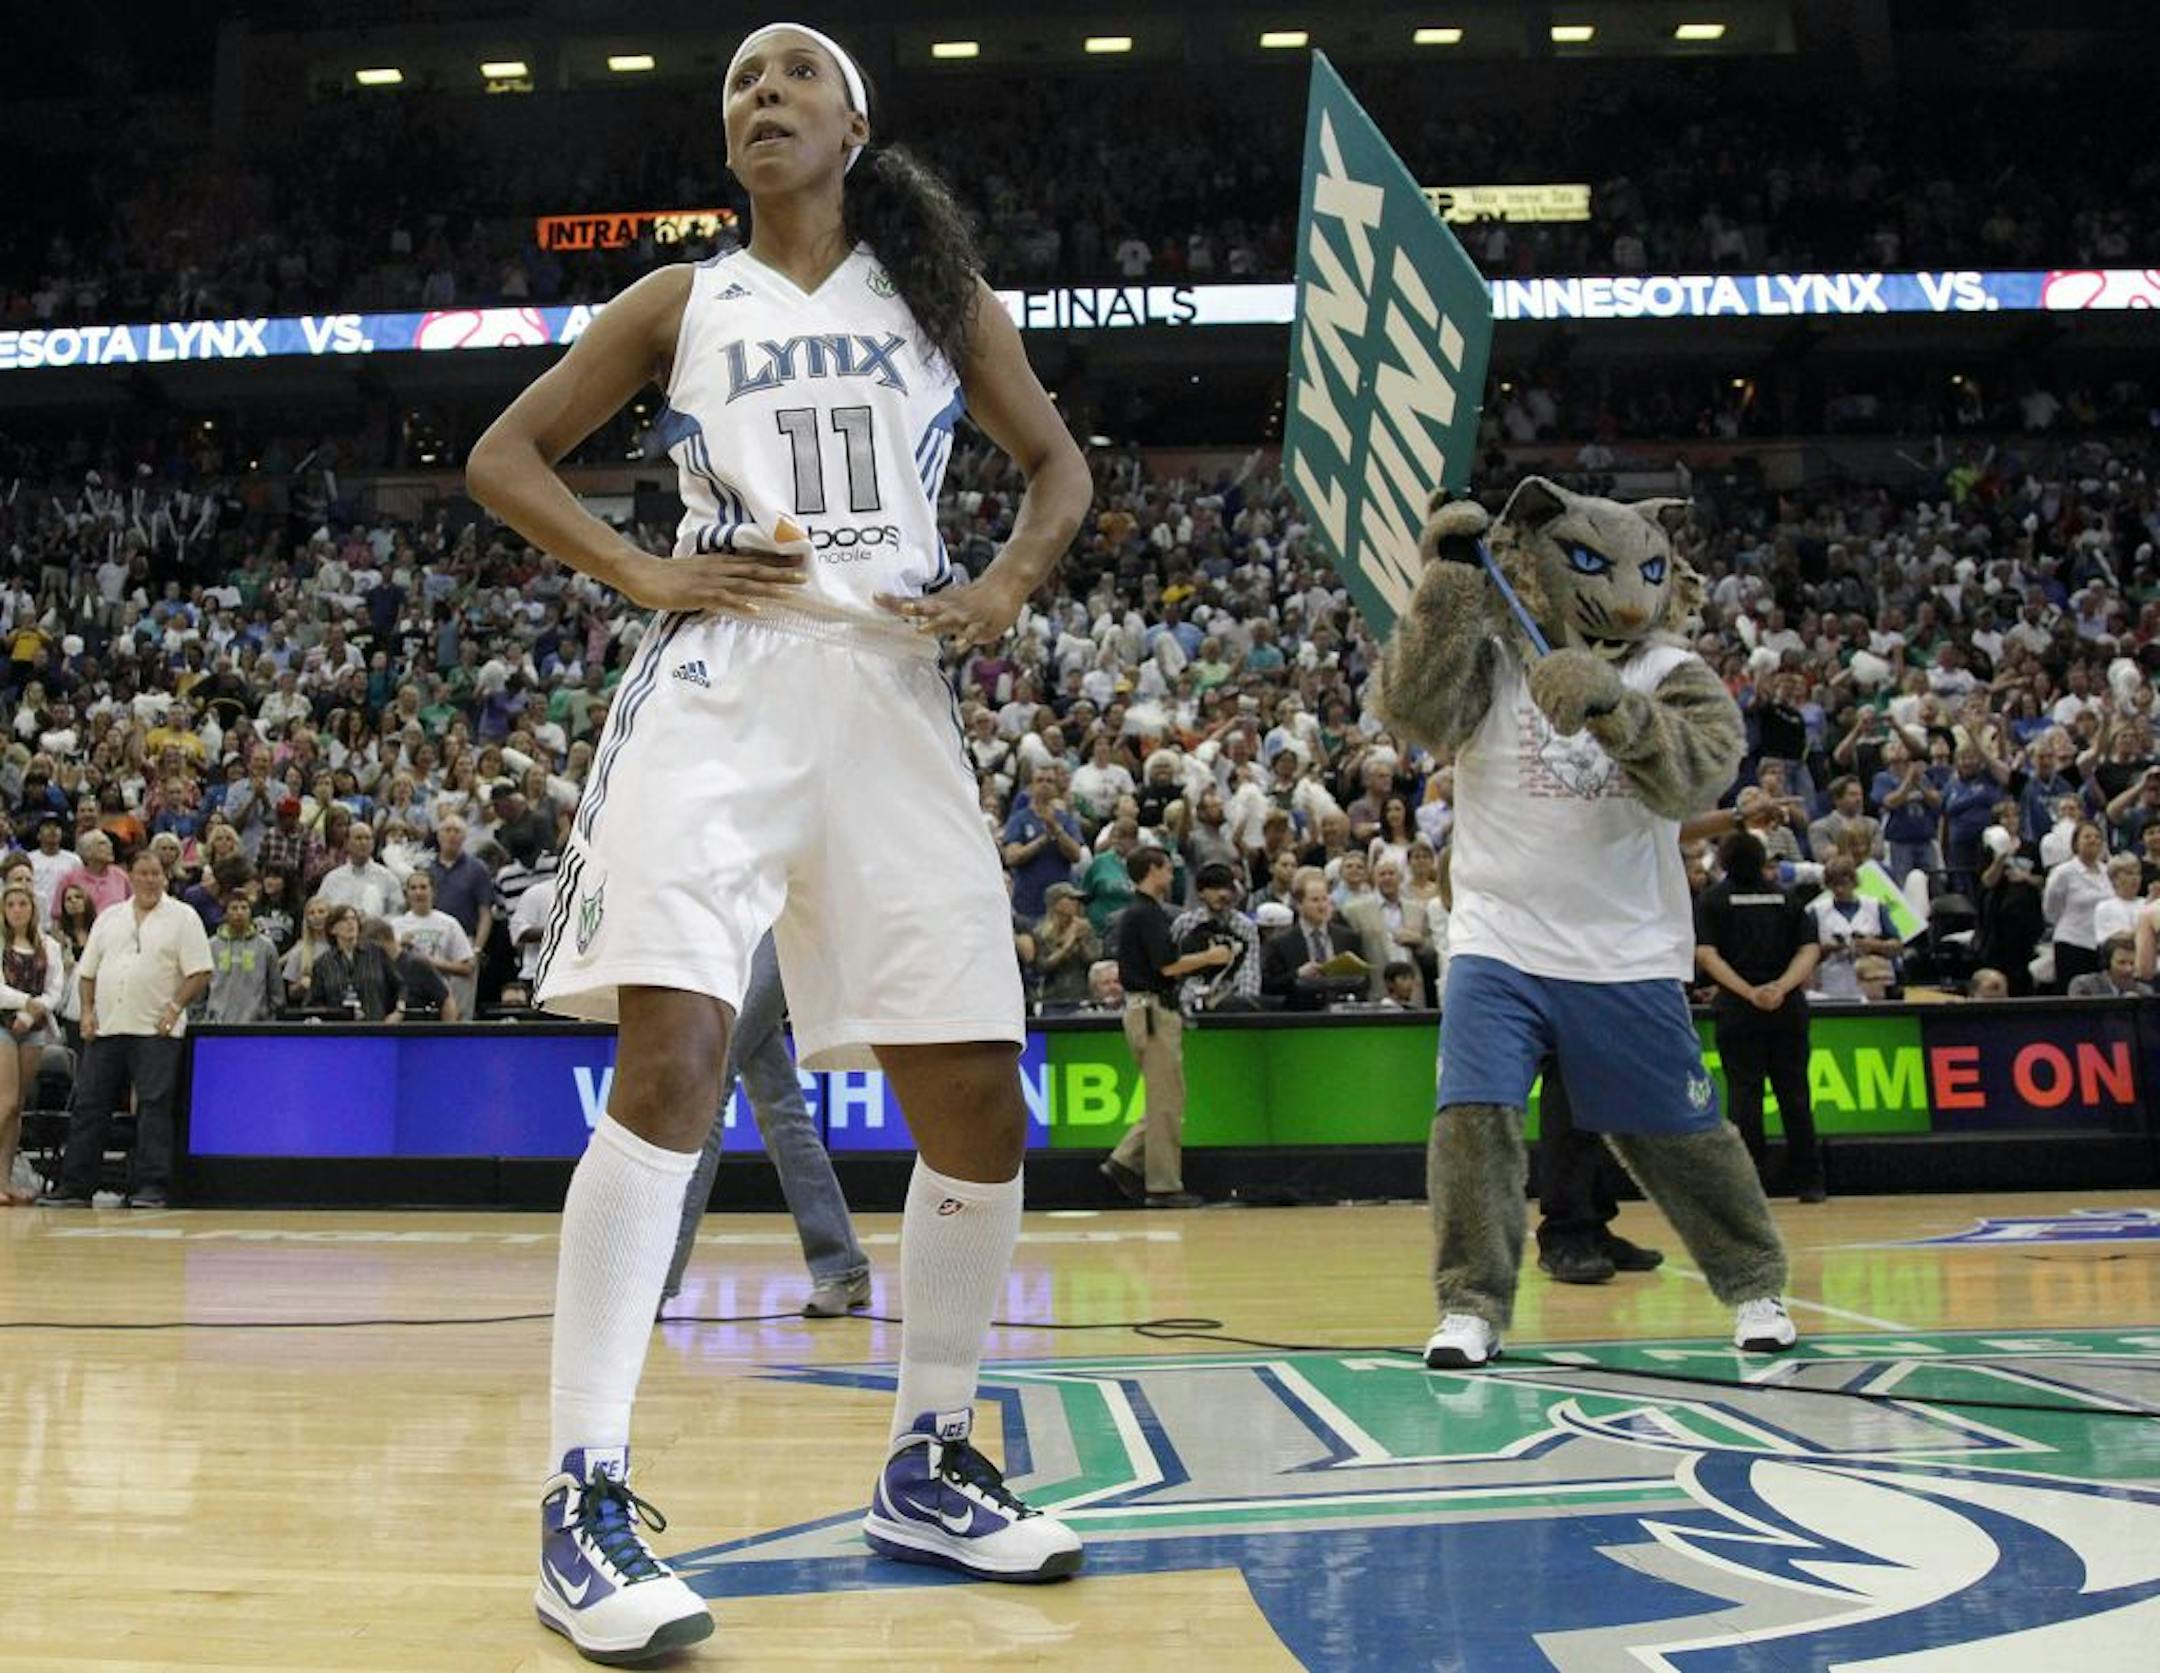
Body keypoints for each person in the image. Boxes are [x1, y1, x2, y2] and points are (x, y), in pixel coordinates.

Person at [466, 21, 1091, 1660]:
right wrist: (645, 571)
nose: (763, 94)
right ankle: (582, 1497)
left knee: (977, 1096)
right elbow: (501, 455)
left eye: (796, 74)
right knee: (670, 1056)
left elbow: (1059, 468)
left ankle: (930, 1457)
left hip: (890, 696)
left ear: (855, 125)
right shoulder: (681, 299)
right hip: (721, 690)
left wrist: (1007, 583)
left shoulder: (936, 298)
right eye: (743, 81)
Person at [663, 932, 871, 1318]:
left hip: (789, 916)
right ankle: (843, 1266)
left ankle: (656, 1278)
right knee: (779, 1105)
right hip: (737, 920)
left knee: (711, 1076)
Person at [42, 849, 213, 1209]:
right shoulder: (109, 917)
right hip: (107, 1027)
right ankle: (75, 1187)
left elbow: (200, 971)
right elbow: (88, 972)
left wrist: (174, 1007)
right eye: (143, 873)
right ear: (130, 877)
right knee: (90, 1105)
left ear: (165, 878)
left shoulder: (183, 917)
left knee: (153, 1106)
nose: (150, 880)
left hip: (156, 1029)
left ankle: (151, 1186)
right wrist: (87, 1012)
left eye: (156, 874)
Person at [1694, 832, 1826, 1200]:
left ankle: (1749, 1186)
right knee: (1795, 1094)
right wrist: (1781, 987)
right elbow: (1809, 950)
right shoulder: (1787, 898)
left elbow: (1706, 955)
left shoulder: (1712, 900)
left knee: (1744, 1095)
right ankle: (1810, 1181)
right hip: (1787, 1007)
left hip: (1738, 1009)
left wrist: (1748, 991)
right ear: (1762, 860)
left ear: (1723, 861)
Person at [1103, 847, 1222, 1208]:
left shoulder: (1142, 912)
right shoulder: (1145, 914)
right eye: (1168, 869)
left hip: (1148, 1010)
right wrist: (1209, 957)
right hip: (1152, 1012)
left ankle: (1124, 1161)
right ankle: (1162, 1185)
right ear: (1152, 870)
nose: (1172, 876)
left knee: (1168, 1098)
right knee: (1166, 1102)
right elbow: (1166, 966)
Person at [0, 882, 64, 1203]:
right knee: (6, 1102)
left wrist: (33, 1012)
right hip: (3, 1023)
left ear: (32, 909)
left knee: (18, 1107)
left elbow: (55, 990)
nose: (16, 910)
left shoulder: (49, 945)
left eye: (22, 904)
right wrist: (27, 1003)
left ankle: (4, 1179)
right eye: (10, 904)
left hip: (35, 1028)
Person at [1260, 867, 1365, 1010]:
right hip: (1301, 1015)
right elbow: (1268, 986)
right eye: (1315, 900)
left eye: (1325, 899)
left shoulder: (1348, 938)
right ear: (1299, 904)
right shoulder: (1280, 943)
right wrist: (1297, 974)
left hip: (1342, 1013)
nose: (1322, 906)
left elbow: (1364, 981)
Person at [1806, 857, 1903, 1001]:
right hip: (1830, 987)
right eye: (1834, 885)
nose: (1839, 890)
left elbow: (1897, 946)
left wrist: (1873, 945)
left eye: (1844, 884)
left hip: (1872, 987)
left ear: (1854, 882)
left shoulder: (1875, 907)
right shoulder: (1817, 912)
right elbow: (1805, 953)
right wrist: (1827, 949)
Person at [2042, 821, 2112, 991]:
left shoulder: (2108, 871)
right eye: (2087, 837)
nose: (2093, 840)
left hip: (2102, 945)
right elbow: (2051, 909)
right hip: (2072, 942)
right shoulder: (2063, 872)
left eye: (2097, 837)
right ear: (2075, 843)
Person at [307, 904, 403, 1020]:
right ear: (332, 929)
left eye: (353, 919)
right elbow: (314, 1002)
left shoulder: (376, 953)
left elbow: (400, 987)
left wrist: (399, 1012)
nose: (350, 923)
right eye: (344, 920)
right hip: (340, 1028)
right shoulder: (323, 963)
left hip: (375, 1024)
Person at [200, 891, 283, 1024]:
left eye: (244, 907)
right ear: (226, 913)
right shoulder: (211, 946)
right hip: (217, 1024)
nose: (239, 912)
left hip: (256, 1024)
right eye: (234, 908)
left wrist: (268, 1017)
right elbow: (201, 989)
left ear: (250, 912)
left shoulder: (266, 946)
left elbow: (276, 990)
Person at [316, 821, 403, 919]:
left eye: (368, 838)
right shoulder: (332, 879)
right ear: (347, 843)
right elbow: (320, 911)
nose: (363, 843)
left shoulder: (388, 878)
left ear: (373, 844)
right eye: (358, 838)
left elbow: (397, 914)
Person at [2067, 933, 2151, 998]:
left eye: (2133, 963)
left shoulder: (2144, 992)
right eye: (2121, 962)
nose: (2128, 969)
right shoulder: (2084, 985)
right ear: (2107, 962)